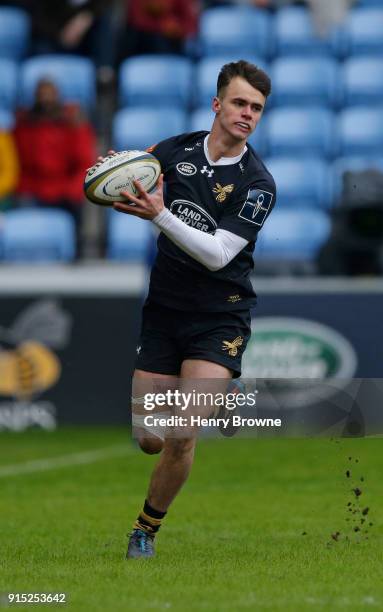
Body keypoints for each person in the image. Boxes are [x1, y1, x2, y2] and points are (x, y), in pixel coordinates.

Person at [112, 60, 276, 558]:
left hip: (220, 315)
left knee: (182, 432)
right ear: (217, 104)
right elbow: (134, 178)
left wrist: (159, 214)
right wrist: (115, 179)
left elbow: (218, 254)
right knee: (149, 437)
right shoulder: (175, 150)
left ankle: (145, 530)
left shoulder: (258, 184)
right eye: (240, 103)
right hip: (163, 311)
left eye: (257, 108)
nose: (248, 114)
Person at [13, 78, 96, 252]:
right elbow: (18, 162)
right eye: (41, 96)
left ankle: (76, 252)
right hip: (33, 188)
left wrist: (72, 189)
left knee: (75, 210)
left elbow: (84, 161)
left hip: (65, 188)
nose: (45, 101)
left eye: (49, 96)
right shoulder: (25, 124)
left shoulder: (73, 122)